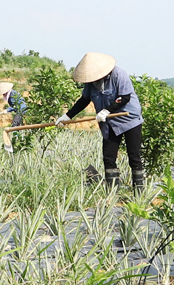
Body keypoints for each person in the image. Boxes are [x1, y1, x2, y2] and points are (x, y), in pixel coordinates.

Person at [56, 52, 144, 189]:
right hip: (109, 123)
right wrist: (68, 116)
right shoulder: (91, 83)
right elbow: (84, 100)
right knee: (108, 157)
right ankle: (113, 192)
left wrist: (107, 110)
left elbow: (125, 97)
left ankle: (139, 193)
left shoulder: (118, 75)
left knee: (134, 156)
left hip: (129, 119)